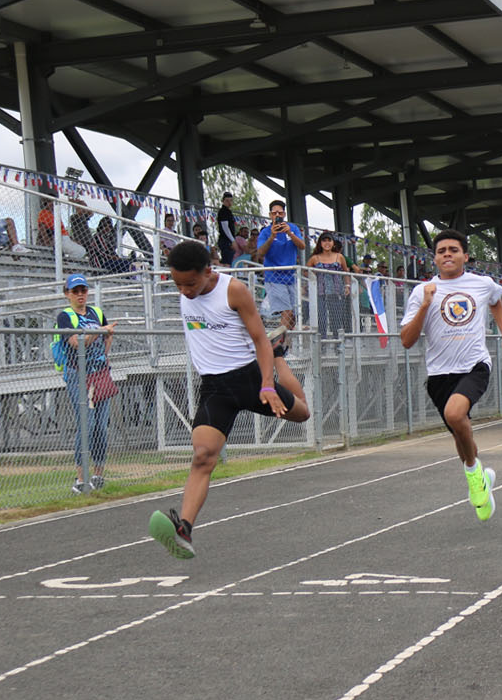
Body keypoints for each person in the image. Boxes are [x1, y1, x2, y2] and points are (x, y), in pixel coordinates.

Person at [148, 240, 311, 559]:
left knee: (302, 413)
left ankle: (282, 360)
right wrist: (185, 286)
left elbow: (260, 339)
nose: (183, 291)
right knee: (203, 455)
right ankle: (184, 529)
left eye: (190, 284)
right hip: (214, 387)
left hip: (249, 379)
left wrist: (267, 383)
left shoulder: (233, 290)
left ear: (208, 271)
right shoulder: (186, 287)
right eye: (177, 283)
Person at [401, 229, 502, 521]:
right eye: (442, 251)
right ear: (435, 259)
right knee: (460, 431)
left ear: (465, 256)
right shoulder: (422, 292)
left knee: (456, 415)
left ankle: (471, 474)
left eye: (453, 250)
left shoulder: (481, 284)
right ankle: (479, 474)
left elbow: (496, 302)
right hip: (440, 373)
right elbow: (406, 339)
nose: (447, 254)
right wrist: (426, 305)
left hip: (474, 365)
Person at [52, 273, 116, 493]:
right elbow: (76, 343)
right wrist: (97, 332)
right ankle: (81, 477)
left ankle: (98, 474)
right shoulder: (65, 316)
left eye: (83, 290)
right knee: (86, 424)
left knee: (101, 426)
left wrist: (104, 337)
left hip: (100, 373)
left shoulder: (97, 313)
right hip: (78, 375)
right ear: (68, 294)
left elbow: (106, 339)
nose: (80, 295)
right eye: (75, 291)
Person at [254, 199, 307, 331]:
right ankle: (281, 346)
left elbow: (302, 246)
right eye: (274, 213)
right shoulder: (266, 232)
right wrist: (272, 236)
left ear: (284, 214)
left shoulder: (293, 228)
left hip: (291, 277)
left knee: (293, 315)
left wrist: (290, 233)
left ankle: (284, 344)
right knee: (287, 312)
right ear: (270, 215)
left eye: (280, 213)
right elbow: (260, 253)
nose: (277, 215)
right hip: (274, 276)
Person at [307, 232, 351, 337]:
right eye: (324, 240)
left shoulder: (339, 257)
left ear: (333, 243)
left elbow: (346, 273)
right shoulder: (315, 258)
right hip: (320, 292)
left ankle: (337, 345)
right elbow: (305, 272)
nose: (327, 243)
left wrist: (347, 286)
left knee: (336, 320)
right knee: (321, 319)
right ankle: (321, 345)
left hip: (336, 292)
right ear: (320, 243)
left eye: (329, 240)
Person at [216, 192, 237, 265]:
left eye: (231, 200)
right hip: (225, 241)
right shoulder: (223, 211)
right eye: (227, 201)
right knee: (227, 262)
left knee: (229, 260)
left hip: (227, 240)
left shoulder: (228, 212)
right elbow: (225, 227)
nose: (229, 203)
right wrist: (233, 240)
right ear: (223, 201)